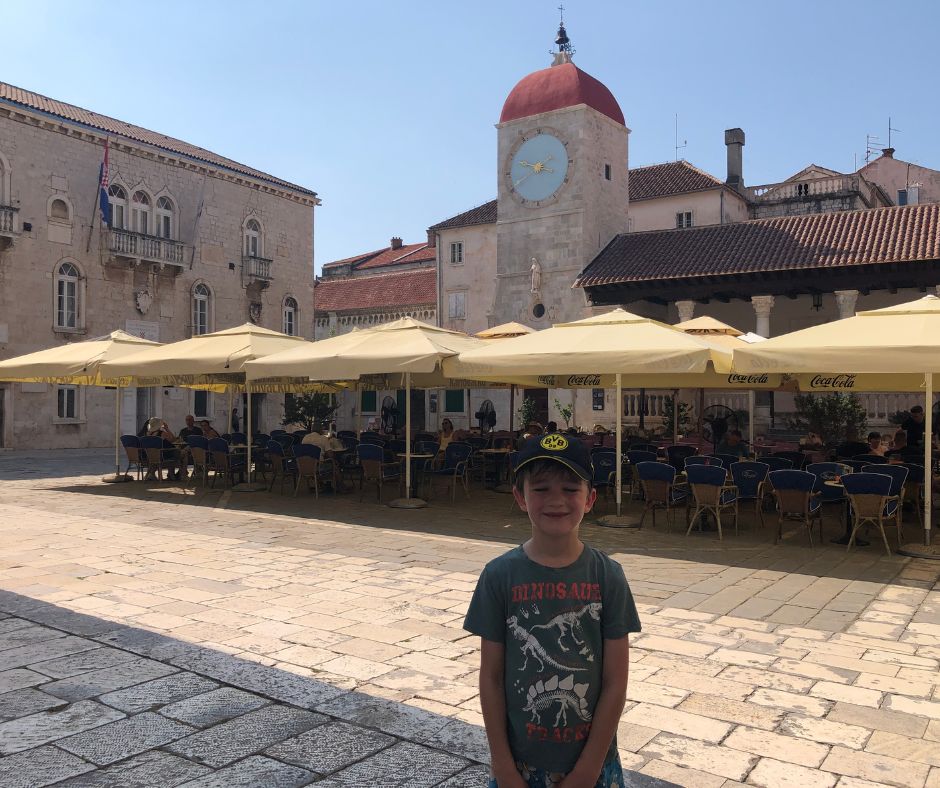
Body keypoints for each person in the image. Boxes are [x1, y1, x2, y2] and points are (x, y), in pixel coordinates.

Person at [465, 434, 641, 788]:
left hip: (594, 765)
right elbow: (491, 678)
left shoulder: (608, 576)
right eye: (541, 488)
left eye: (571, 488)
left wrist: (589, 770)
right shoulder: (499, 576)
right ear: (520, 496)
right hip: (520, 762)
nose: (556, 500)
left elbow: (615, 682)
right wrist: (503, 767)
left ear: (590, 498)